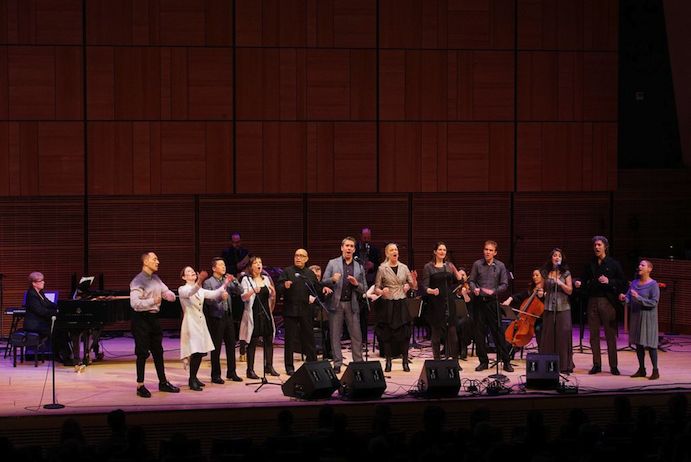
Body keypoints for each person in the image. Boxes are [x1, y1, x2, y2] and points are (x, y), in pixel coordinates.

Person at [129, 252, 180, 398]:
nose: (158, 261)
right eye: (155, 259)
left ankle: (163, 382)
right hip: (141, 320)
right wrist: (153, 301)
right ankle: (140, 385)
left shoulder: (156, 278)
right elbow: (135, 304)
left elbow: (166, 291)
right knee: (142, 353)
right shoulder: (137, 281)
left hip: (153, 319)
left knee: (158, 351)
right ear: (145, 262)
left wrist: (170, 295)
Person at [575, 236, 625, 375]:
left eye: (599, 245)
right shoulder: (590, 264)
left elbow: (622, 282)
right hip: (592, 301)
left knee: (610, 334)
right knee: (593, 335)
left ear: (605, 247)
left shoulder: (613, 264)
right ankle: (596, 364)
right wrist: (578, 282)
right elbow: (583, 279)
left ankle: (613, 365)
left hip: (607, 302)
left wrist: (609, 281)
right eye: (595, 245)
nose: (596, 247)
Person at [178, 266, 233, 391]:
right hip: (191, 323)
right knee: (196, 352)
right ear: (183, 277)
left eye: (192, 271)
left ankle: (194, 377)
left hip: (201, 323)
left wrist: (226, 283)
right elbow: (190, 292)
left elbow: (214, 294)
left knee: (201, 352)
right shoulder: (183, 289)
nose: (191, 273)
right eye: (188, 272)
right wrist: (200, 281)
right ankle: (192, 380)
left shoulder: (200, 290)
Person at [322, 236, 366, 374]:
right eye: (346, 246)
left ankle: (358, 362)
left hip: (352, 305)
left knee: (356, 335)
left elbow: (364, 287)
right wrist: (332, 280)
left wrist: (355, 284)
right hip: (336, 303)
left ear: (354, 249)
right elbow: (323, 282)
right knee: (335, 335)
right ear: (342, 247)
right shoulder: (332, 263)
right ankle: (337, 362)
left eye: (351, 246)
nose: (349, 248)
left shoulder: (359, 266)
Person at [468, 240, 513, 372]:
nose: (487, 252)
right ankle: (483, 361)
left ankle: (506, 361)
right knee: (479, 333)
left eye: (490, 250)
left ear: (495, 252)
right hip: (479, 303)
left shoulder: (500, 266)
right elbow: (471, 281)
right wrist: (474, 288)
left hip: (492, 303)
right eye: (486, 249)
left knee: (498, 333)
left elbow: (504, 284)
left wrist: (494, 291)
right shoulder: (477, 264)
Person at [421, 242, 467, 365]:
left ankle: (455, 362)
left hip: (449, 303)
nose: (442, 252)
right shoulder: (428, 267)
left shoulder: (449, 266)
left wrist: (458, 273)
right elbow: (424, 286)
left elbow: (460, 280)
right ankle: (437, 362)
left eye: (444, 250)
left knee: (453, 335)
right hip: (435, 304)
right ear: (435, 252)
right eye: (440, 249)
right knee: (436, 334)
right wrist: (431, 290)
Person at [374, 243, 417, 372]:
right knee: (387, 334)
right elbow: (377, 287)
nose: (395, 251)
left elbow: (413, 285)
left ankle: (405, 361)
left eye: (396, 249)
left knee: (404, 333)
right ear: (387, 253)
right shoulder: (382, 268)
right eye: (392, 250)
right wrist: (381, 292)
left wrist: (409, 285)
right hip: (388, 304)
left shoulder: (404, 267)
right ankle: (388, 362)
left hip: (401, 303)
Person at [277, 249, 320, 375]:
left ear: (306, 259)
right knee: (289, 340)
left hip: (306, 310)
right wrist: (284, 286)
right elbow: (278, 288)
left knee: (309, 337)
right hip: (290, 310)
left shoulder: (309, 273)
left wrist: (325, 288)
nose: (298, 258)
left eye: (301, 256)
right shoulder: (287, 271)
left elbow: (316, 288)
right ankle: (289, 366)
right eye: (296, 255)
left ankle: (312, 362)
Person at [202, 257, 243, 384]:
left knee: (231, 345)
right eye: (220, 265)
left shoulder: (228, 280)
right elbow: (208, 301)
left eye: (224, 264)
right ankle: (215, 375)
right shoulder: (208, 282)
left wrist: (235, 281)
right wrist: (219, 298)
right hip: (216, 317)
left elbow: (240, 291)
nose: (224, 267)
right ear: (214, 268)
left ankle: (232, 372)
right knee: (216, 347)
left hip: (228, 316)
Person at [239, 256, 279, 379]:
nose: (259, 265)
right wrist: (252, 291)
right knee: (253, 342)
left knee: (268, 340)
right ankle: (250, 370)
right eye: (255, 263)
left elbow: (271, 297)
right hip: (253, 314)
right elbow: (243, 297)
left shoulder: (266, 279)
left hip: (266, 313)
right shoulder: (246, 280)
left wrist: (272, 293)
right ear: (251, 267)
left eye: (260, 262)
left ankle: (269, 366)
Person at [622, 260, 660, 380]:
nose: (639, 266)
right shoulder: (634, 283)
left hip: (648, 317)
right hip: (636, 316)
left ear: (649, 269)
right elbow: (628, 298)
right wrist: (624, 298)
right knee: (639, 343)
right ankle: (641, 369)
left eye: (643, 265)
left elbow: (654, 302)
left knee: (651, 344)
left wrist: (638, 298)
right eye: (639, 264)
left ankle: (655, 370)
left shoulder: (653, 284)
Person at [540, 248, 575, 373]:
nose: (557, 257)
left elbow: (570, 291)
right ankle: (548, 365)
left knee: (563, 335)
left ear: (562, 259)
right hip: (549, 307)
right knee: (549, 336)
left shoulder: (566, 273)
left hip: (563, 308)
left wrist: (559, 283)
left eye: (559, 256)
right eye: (555, 255)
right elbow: (541, 288)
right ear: (551, 258)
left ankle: (564, 365)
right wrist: (540, 292)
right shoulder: (545, 273)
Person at [23, 271, 66, 362]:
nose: (43, 282)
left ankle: (62, 354)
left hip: (40, 322)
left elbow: (48, 303)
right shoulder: (31, 295)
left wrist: (61, 306)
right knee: (57, 331)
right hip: (34, 324)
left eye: (43, 280)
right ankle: (60, 355)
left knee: (60, 329)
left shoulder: (40, 292)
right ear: (34, 283)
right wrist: (56, 313)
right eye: (41, 281)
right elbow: (40, 311)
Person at [221, 232, 250, 361]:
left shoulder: (245, 251)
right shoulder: (226, 253)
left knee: (242, 312)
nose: (236, 244)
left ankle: (241, 341)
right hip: (230, 283)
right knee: (235, 314)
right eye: (234, 241)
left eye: (238, 241)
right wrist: (236, 268)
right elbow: (225, 268)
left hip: (240, 283)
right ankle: (235, 338)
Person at [502, 268, 545, 350]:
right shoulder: (531, 290)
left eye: (537, 275)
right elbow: (519, 295)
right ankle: (510, 350)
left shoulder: (546, 290)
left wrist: (542, 296)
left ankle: (542, 351)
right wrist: (509, 299)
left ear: (543, 277)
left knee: (539, 328)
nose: (534, 277)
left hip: (541, 320)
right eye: (533, 275)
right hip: (526, 319)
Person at [356, 227, 381, 347]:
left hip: (370, 281)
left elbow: (380, 265)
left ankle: (367, 337)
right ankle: (357, 337)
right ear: (361, 236)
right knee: (359, 311)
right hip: (358, 282)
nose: (366, 239)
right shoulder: (355, 249)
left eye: (368, 236)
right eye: (364, 236)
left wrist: (373, 265)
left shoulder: (375, 250)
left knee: (367, 311)